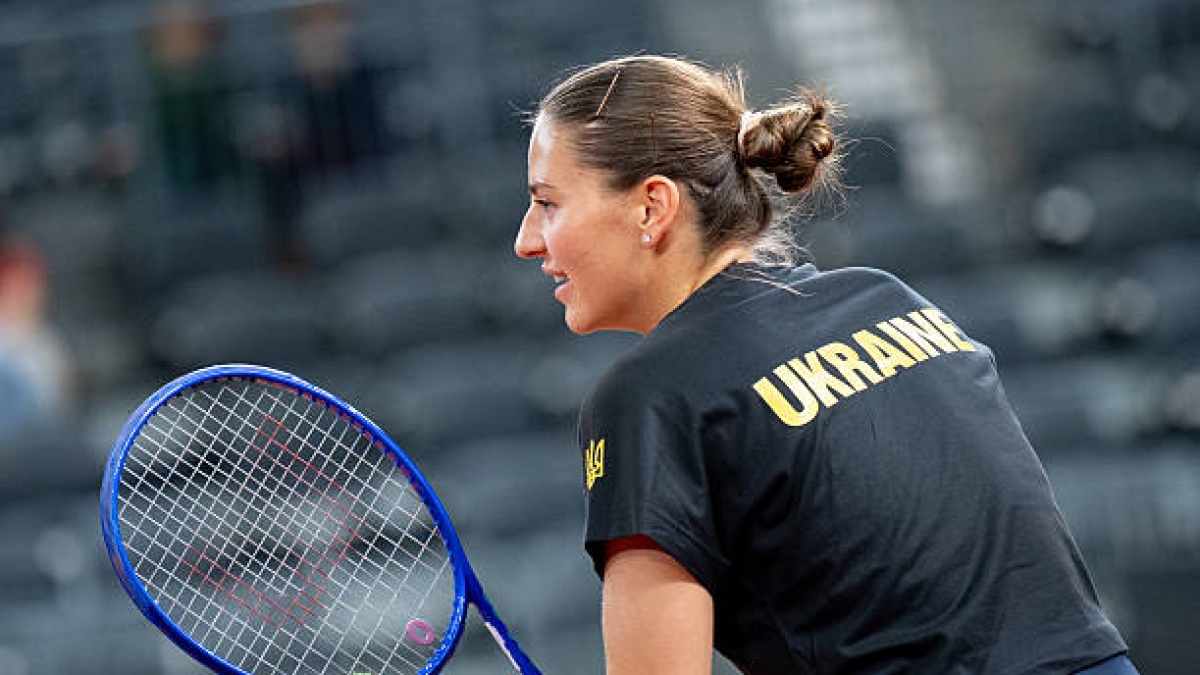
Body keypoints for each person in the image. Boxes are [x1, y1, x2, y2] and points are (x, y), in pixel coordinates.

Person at [513, 55, 1137, 674]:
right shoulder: (890, 301)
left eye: (548, 204)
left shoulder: (649, 395)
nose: (526, 240)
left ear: (652, 206)